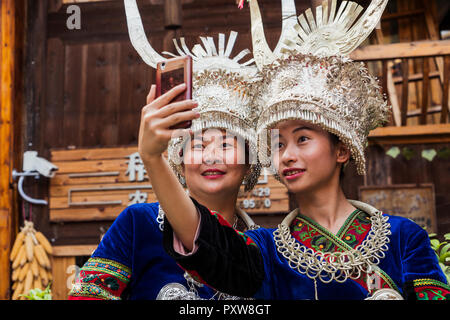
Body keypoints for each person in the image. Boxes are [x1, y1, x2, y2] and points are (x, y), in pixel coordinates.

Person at [159, 0, 450, 300]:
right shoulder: (264, 249)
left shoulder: (403, 238)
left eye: (302, 139)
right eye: (279, 144)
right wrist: (154, 158)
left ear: (342, 149)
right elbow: (200, 236)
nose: (286, 155)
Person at [68, 0, 262, 300]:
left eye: (226, 144)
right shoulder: (138, 224)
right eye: (198, 144)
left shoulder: (263, 245)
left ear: (250, 162)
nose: (211, 155)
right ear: (179, 160)